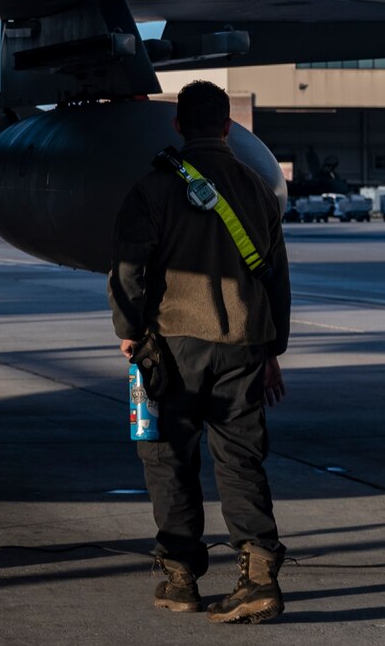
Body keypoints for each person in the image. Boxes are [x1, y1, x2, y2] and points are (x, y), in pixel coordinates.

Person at [109, 81, 291, 624]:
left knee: (168, 459)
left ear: (179, 126)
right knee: (241, 461)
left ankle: (180, 578)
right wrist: (273, 348)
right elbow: (275, 277)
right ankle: (258, 577)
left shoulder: (154, 187)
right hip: (244, 346)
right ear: (228, 127)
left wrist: (130, 328)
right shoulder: (258, 189)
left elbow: (128, 269)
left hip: (172, 347)